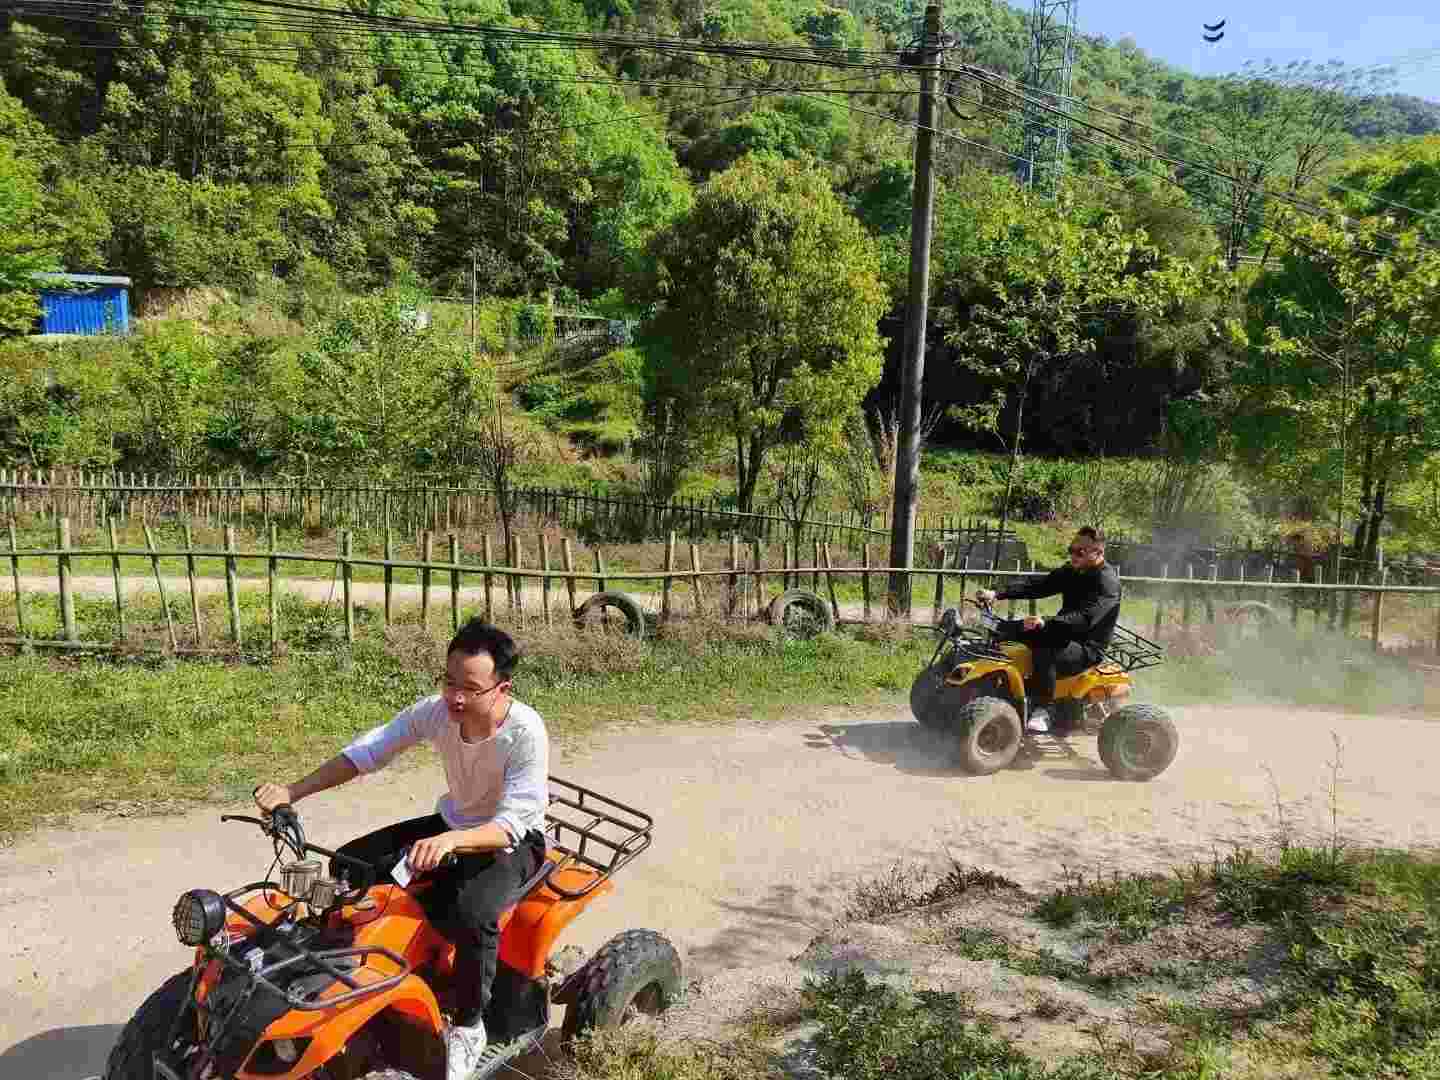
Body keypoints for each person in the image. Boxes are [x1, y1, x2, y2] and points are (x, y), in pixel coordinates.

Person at [254, 618, 548, 1080]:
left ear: (501, 688)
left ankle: (470, 1029)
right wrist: (294, 790)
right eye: (449, 681)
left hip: (512, 842)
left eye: (469, 688)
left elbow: (511, 824)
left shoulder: (525, 731)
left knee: (473, 913)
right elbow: (369, 751)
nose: (455, 696)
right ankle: (338, 969)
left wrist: (450, 840)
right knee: (348, 863)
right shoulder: (437, 712)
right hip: (451, 824)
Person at [975, 526, 1121, 735]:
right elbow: (1039, 585)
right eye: (1072, 549)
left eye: (1080, 551)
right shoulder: (1073, 570)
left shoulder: (1107, 583)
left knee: (1045, 646)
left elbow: (1086, 618)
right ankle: (1001, 691)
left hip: (1086, 648)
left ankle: (1044, 709)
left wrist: (1045, 622)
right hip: (1062, 634)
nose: (1073, 554)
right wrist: (997, 594)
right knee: (1007, 632)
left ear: (1098, 552)